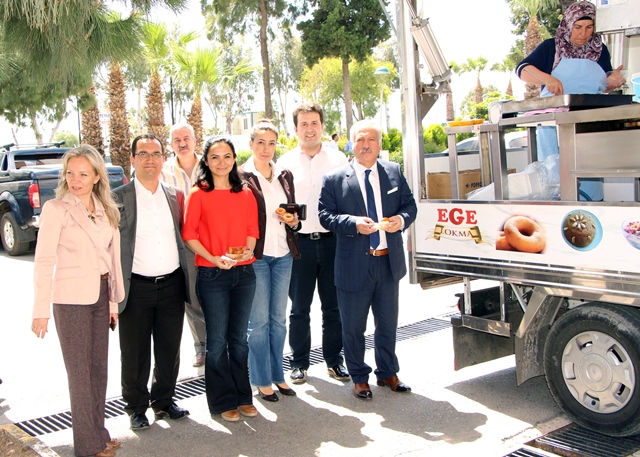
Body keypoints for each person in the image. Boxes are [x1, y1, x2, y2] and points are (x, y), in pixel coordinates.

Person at [31, 145, 125, 457]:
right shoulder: (56, 209)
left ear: (97, 176)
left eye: (83, 173)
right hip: (69, 301)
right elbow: (44, 261)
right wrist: (39, 311)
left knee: (99, 369)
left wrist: (112, 304)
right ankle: (87, 446)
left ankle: (98, 432)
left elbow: (113, 261)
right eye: (70, 173)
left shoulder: (106, 209)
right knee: (80, 374)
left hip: (100, 295)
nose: (75, 179)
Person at [319, 119, 417, 400]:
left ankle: (387, 372)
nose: (365, 145)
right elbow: (325, 216)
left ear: (379, 145)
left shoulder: (394, 172)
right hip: (353, 265)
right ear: (352, 144)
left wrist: (400, 219)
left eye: (371, 140)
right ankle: (359, 377)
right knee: (353, 327)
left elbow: (409, 205)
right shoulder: (335, 179)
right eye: (360, 140)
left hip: (387, 263)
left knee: (387, 323)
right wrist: (352, 223)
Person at [114, 134, 190, 431]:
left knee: (169, 349)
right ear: (132, 159)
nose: (149, 159)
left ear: (163, 158)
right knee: (134, 352)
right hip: (136, 288)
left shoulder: (175, 196)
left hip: (171, 284)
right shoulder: (118, 198)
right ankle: (136, 407)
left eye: (155, 153)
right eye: (142, 153)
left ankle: (164, 401)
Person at [182, 136, 259, 422]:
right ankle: (221, 401)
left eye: (227, 156)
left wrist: (247, 250)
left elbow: (252, 228)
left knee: (239, 340)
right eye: (215, 157)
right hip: (212, 275)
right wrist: (214, 258)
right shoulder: (198, 193)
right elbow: (189, 235)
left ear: (234, 159)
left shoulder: (246, 193)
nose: (222, 162)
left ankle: (243, 396)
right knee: (216, 342)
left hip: (244, 273)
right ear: (205, 161)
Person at [516, 0, 626, 201]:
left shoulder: (600, 51)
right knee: (557, 176)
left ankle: (592, 209)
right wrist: (547, 78)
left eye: (589, 27)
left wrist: (611, 82)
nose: (583, 34)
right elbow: (522, 69)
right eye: (578, 27)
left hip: (589, 122)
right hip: (555, 125)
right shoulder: (551, 47)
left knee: (590, 174)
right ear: (568, 24)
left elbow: (603, 84)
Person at [277, 102, 350, 385]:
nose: (309, 129)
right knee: (299, 309)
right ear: (295, 129)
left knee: (333, 307)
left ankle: (335, 361)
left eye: (314, 123)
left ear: (322, 126)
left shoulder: (338, 160)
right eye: (303, 124)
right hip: (299, 245)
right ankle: (299, 363)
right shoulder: (284, 163)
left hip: (333, 243)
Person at [239, 120, 301, 402]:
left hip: (284, 255)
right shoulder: (240, 177)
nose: (266, 149)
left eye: (271, 143)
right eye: (260, 142)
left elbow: (295, 216)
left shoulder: (284, 175)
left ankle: (278, 374)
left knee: (279, 320)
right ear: (251, 144)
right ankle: (261, 379)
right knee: (259, 322)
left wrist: (294, 219)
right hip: (258, 258)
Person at [161, 123, 206, 367]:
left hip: (212, 240)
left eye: (186, 138)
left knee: (216, 293)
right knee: (192, 297)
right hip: (181, 241)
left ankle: (224, 343)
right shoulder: (164, 170)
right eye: (177, 139)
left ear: (195, 140)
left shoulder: (209, 164)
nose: (182, 143)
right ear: (170, 145)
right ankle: (202, 346)